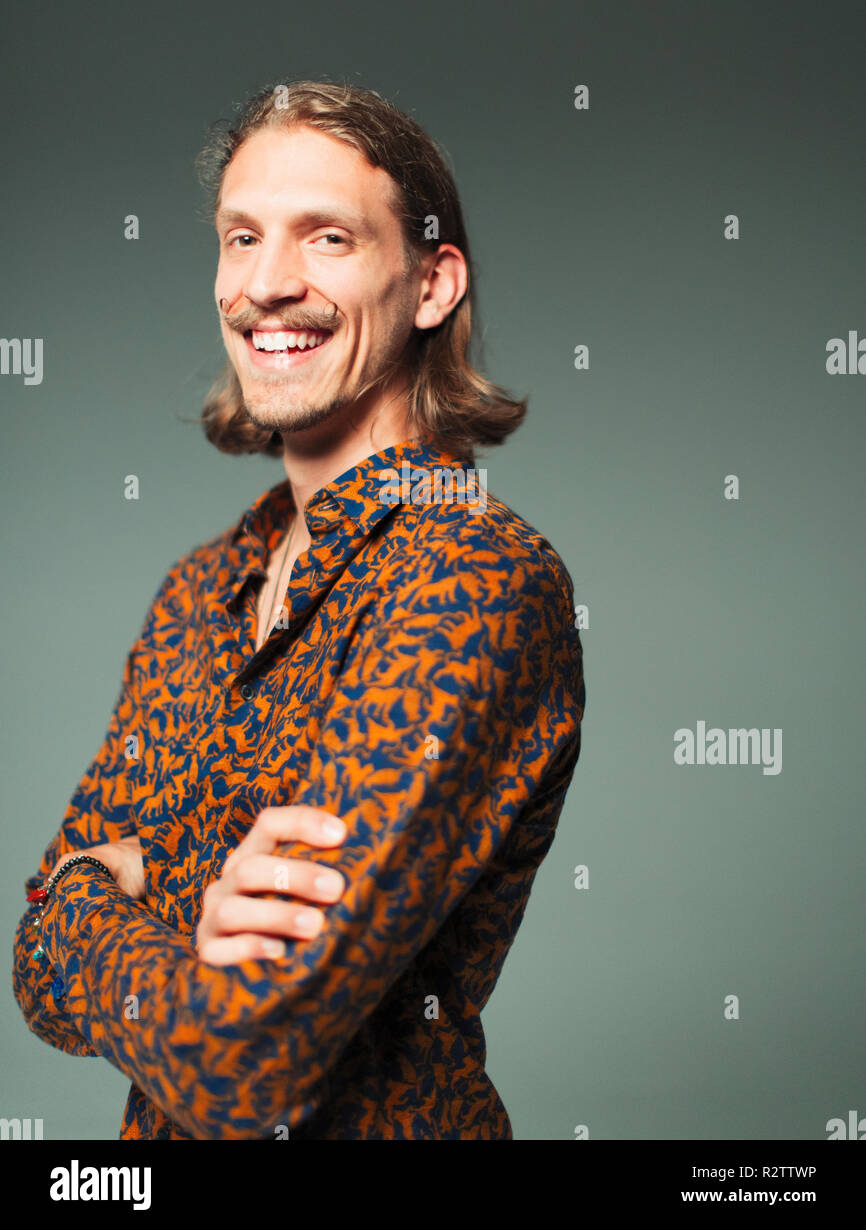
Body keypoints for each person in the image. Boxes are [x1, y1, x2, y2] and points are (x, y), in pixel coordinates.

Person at [12, 79, 586, 1140]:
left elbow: (248, 1058)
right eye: (240, 237)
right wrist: (144, 912)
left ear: (428, 285)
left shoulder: (473, 580)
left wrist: (105, 894)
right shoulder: (198, 589)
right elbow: (28, 967)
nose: (266, 285)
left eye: (326, 237)